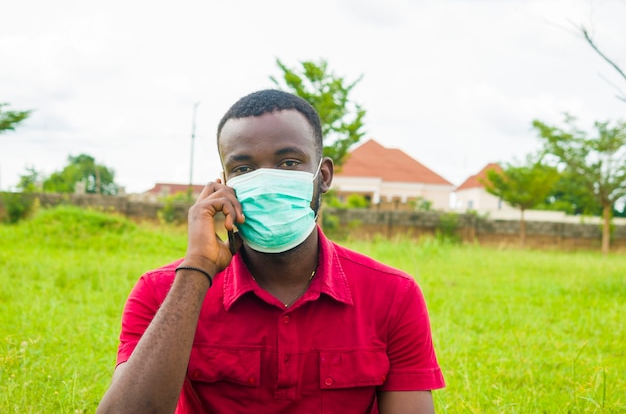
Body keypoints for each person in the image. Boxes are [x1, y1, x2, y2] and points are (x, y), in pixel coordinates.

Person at [97, 89, 445, 414]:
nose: (266, 181)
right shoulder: (161, 292)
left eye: (289, 163)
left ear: (322, 176)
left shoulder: (392, 294)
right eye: (244, 169)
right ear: (224, 184)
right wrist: (198, 268)